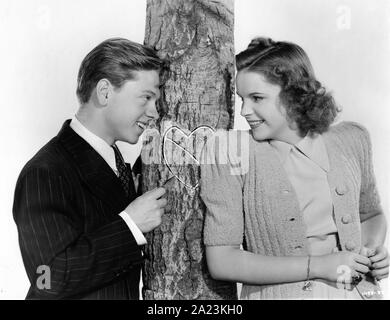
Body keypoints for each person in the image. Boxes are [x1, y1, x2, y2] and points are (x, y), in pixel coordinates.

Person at [200, 37, 388, 299]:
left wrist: (372, 251)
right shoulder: (229, 150)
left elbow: (370, 214)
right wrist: (319, 266)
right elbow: (222, 261)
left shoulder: (351, 139)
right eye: (242, 98)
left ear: (294, 95)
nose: (245, 111)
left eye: (257, 98)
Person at [13, 38, 167, 299]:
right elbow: (47, 278)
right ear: (105, 91)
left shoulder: (115, 162)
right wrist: (130, 226)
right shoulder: (45, 171)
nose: (154, 112)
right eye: (146, 98)